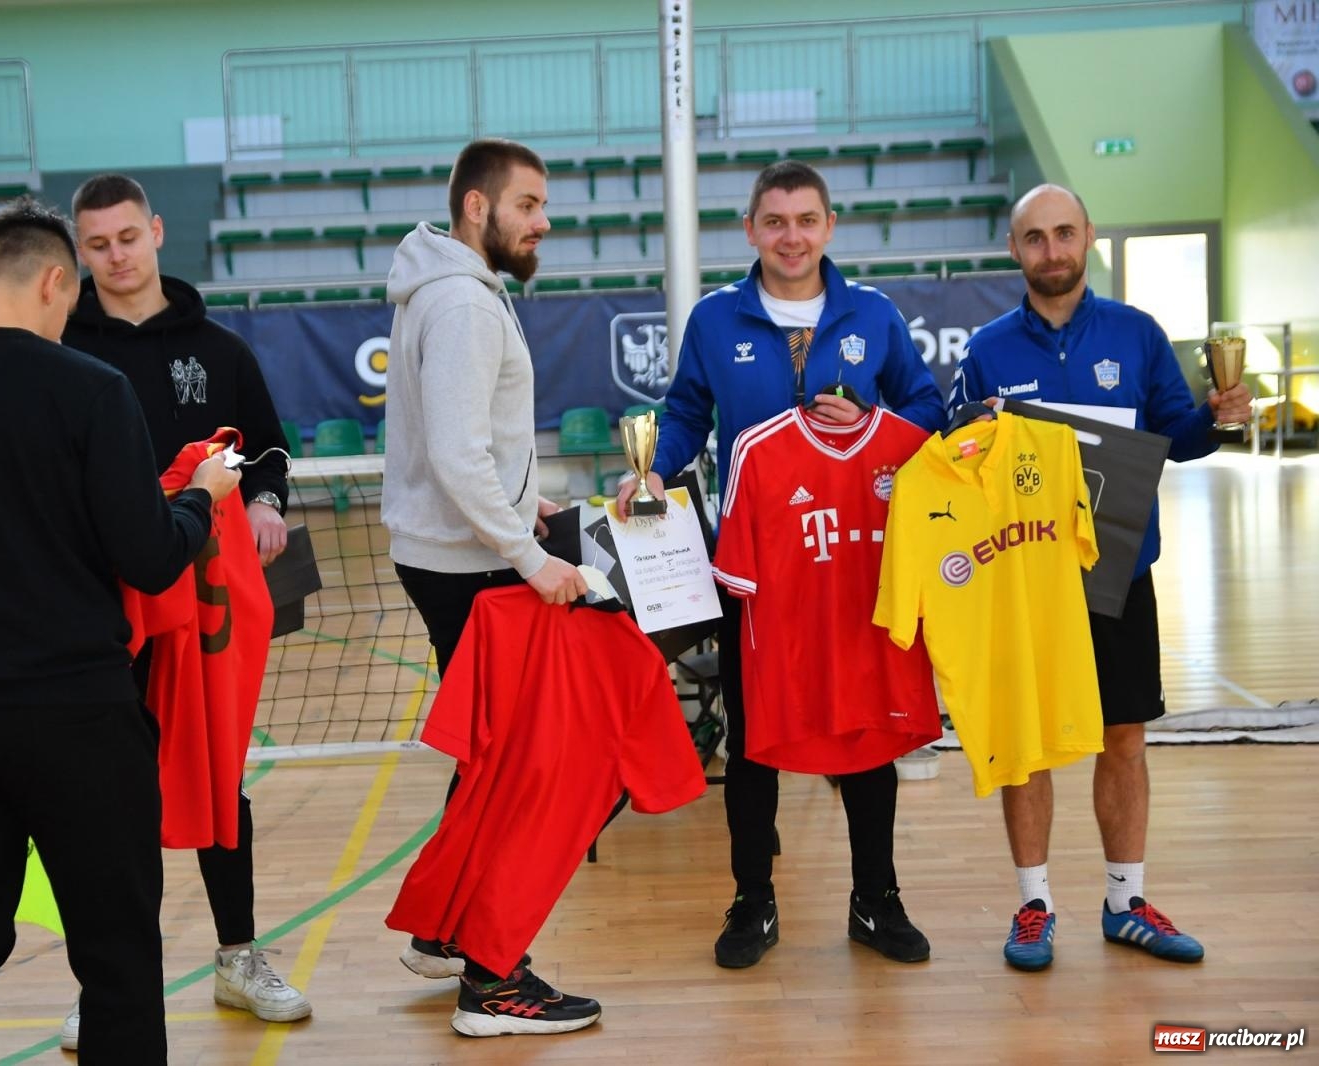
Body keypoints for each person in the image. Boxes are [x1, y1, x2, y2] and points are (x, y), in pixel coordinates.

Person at [0, 197, 242, 1065]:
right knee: (116, 957)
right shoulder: (90, 388)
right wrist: (200, 500)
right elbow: (150, 557)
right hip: (77, 716)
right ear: (53, 282)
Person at [617, 160, 946, 970]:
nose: (791, 237)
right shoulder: (714, 318)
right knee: (754, 735)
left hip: (855, 561)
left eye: (805, 220)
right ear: (751, 230)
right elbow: (687, 413)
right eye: (774, 221)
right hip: (757, 569)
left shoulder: (873, 314)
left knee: (866, 731)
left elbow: (928, 409)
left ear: (829, 226)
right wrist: (656, 468)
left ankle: (876, 898)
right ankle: (752, 900)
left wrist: (870, 416)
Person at [947, 183, 1251, 972]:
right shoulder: (986, 350)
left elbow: (1177, 435)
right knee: (1029, 745)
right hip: (1026, 580)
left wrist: (1219, 417)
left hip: (1119, 571)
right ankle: (1034, 906)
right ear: (1014, 249)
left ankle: (1125, 903)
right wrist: (972, 438)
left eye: (1063, 233)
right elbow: (955, 454)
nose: (1051, 250)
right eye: (1035, 237)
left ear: (1088, 236)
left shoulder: (1136, 333)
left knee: (1124, 736)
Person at [61, 173, 308, 1046]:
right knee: (105, 793)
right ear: (79, 251)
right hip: (101, 604)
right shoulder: (60, 344)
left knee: (217, 776)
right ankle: (106, 984)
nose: (116, 256)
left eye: (128, 237)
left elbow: (267, 451)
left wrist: (268, 502)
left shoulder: (219, 349)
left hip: (204, 598)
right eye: (98, 245)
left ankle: (238, 956)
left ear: (158, 231)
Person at [381, 137, 598, 1036]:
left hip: (450, 552)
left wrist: (521, 501)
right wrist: (529, 555)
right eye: (528, 205)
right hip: (470, 568)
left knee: (486, 762)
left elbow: (467, 444)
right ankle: (493, 980)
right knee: (517, 772)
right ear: (479, 207)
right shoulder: (464, 304)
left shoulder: (448, 288)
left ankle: (445, 929)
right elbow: (455, 452)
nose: (543, 222)